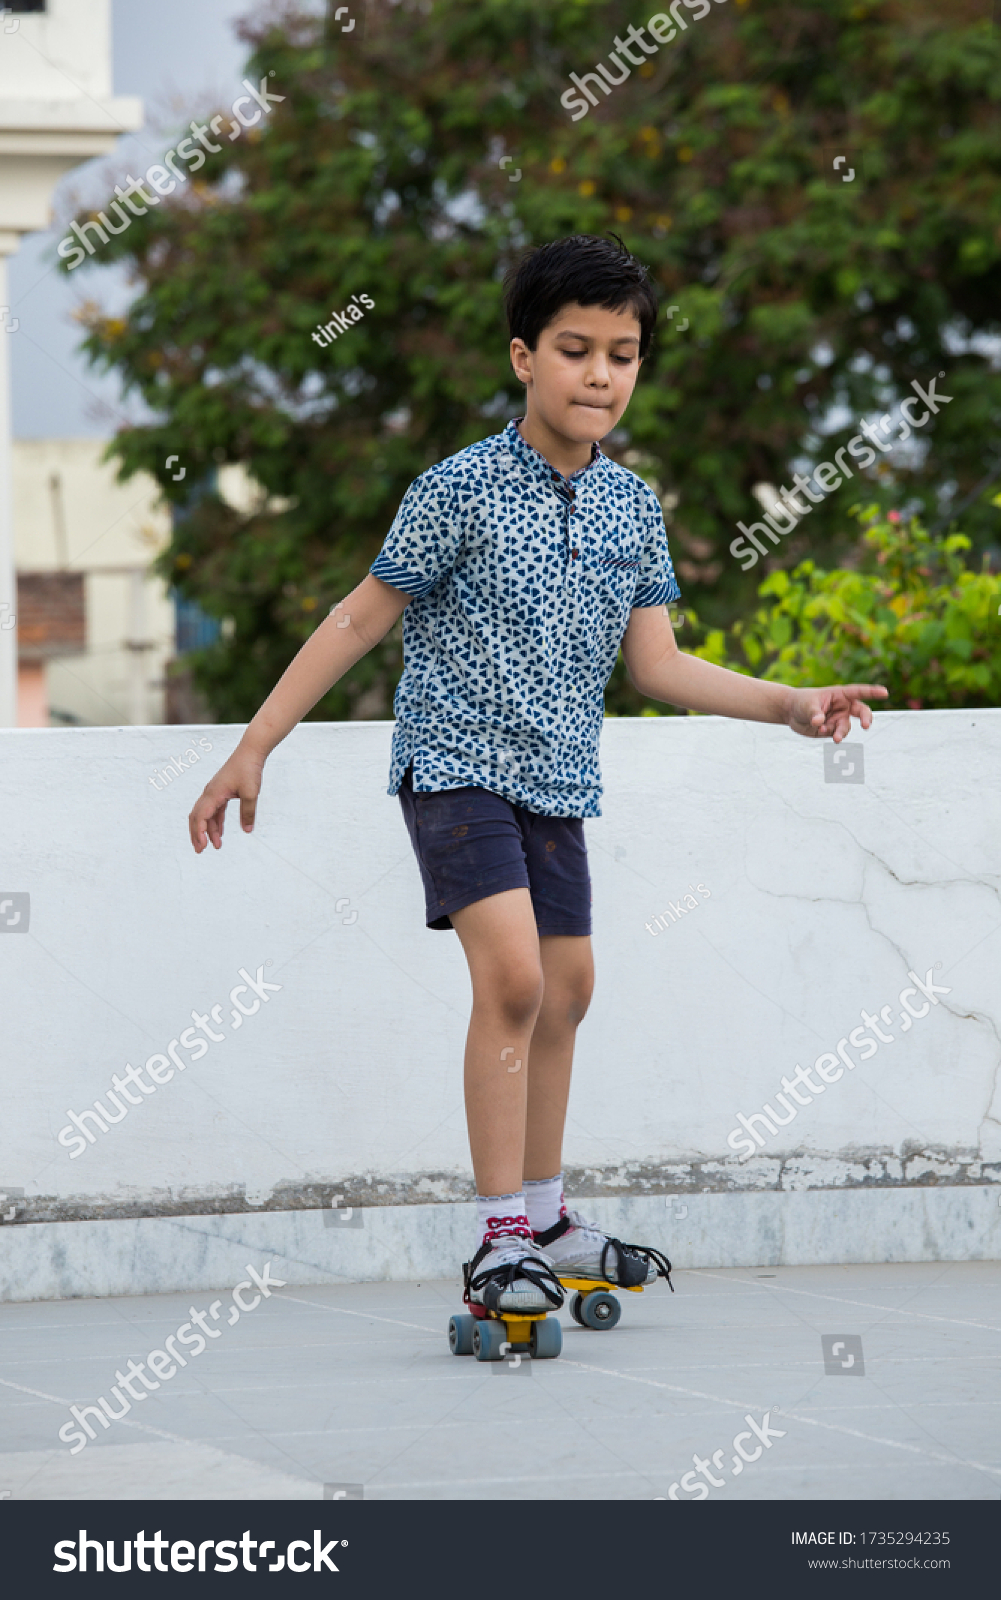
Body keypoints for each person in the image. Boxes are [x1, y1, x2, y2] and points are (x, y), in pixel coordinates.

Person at [188, 233, 887, 1319]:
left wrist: (790, 705)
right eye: (575, 350)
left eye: (622, 353)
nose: (600, 374)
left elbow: (656, 663)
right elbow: (358, 616)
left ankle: (551, 1216)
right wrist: (254, 742)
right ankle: (498, 1232)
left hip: (558, 781)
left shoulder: (630, 508)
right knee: (511, 979)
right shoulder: (456, 488)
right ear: (523, 357)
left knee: (567, 991)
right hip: (453, 765)